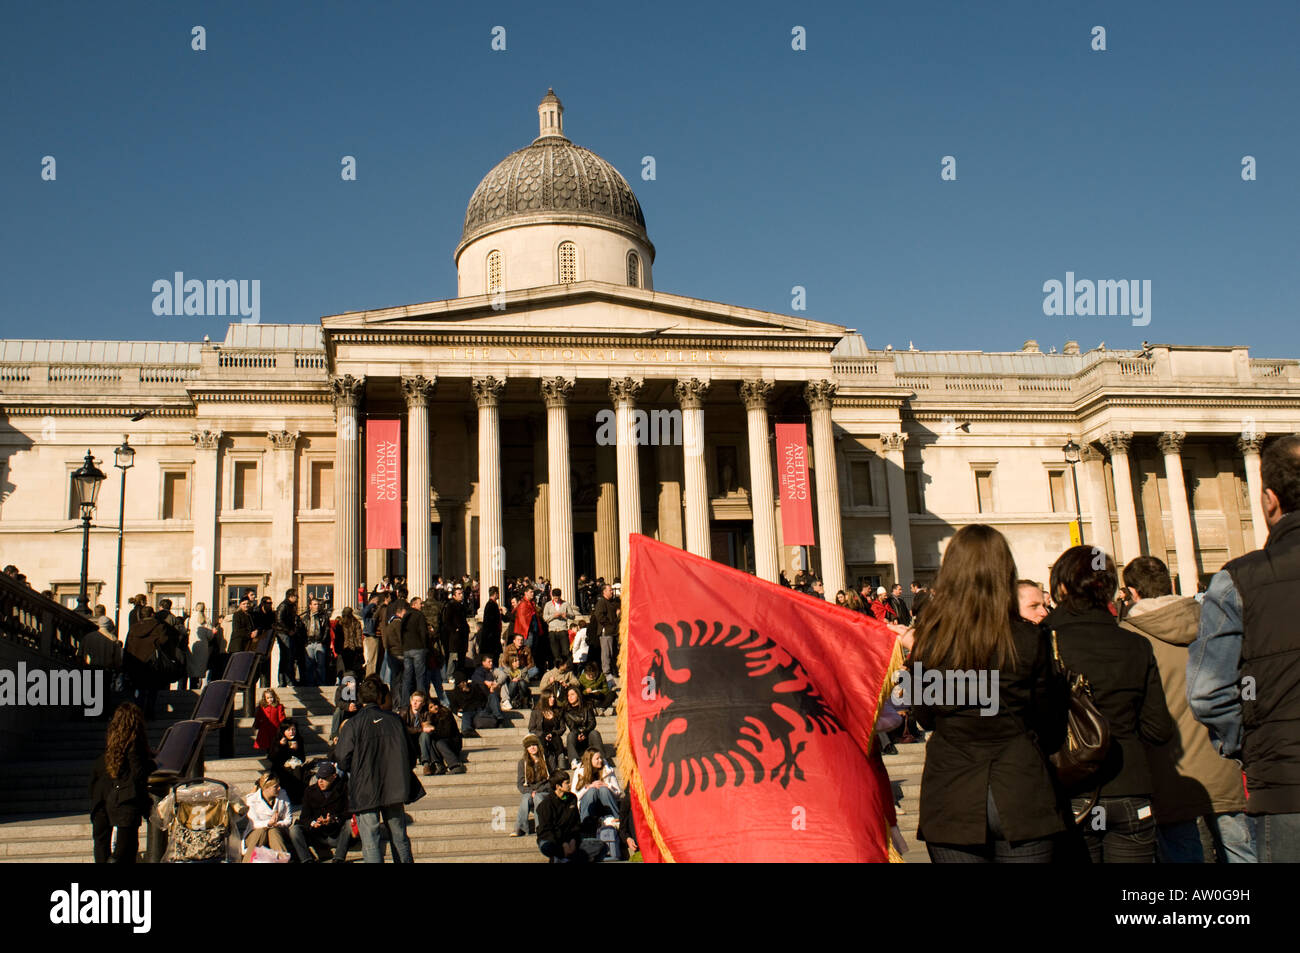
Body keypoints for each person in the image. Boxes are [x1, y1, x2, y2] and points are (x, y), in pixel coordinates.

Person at [911, 524, 1071, 863]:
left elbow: (923, 715)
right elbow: (1049, 720)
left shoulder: (928, 640)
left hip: (952, 791)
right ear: (1005, 573)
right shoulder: (1030, 639)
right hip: (1019, 787)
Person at [1189, 433, 1300, 861]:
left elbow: (1209, 693)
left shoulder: (1237, 581)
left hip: (1285, 786)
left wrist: (1248, 741)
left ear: (1269, 500)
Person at [1120, 555, 1253, 863]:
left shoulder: (1129, 635)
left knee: (1183, 854)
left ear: (1133, 592)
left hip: (1169, 766)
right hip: (1221, 756)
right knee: (1241, 851)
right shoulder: (1213, 620)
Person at [1046, 545, 1174, 863]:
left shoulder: (1045, 641)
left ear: (1061, 587)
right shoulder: (1136, 645)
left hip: (1068, 788)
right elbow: (1159, 729)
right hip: (1130, 785)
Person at [335, 677, 418, 863]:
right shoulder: (395, 720)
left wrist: (356, 769)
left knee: (370, 841)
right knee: (399, 836)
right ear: (380, 696)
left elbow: (341, 758)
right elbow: (411, 754)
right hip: (394, 784)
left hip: (365, 787)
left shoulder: (353, 724)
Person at [89, 702, 154, 863]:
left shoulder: (109, 751)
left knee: (102, 847)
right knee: (126, 848)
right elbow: (138, 774)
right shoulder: (134, 748)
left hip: (101, 801)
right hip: (125, 802)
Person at [536, 770, 605, 862]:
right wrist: (563, 844)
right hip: (552, 839)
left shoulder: (572, 798)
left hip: (571, 839)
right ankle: (561, 857)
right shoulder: (546, 805)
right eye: (567, 783)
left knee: (601, 847)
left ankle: (568, 858)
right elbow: (546, 831)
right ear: (558, 786)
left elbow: (575, 824)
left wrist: (573, 840)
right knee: (547, 846)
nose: (570, 784)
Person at [289, 761, 352, 863]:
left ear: (333, 776)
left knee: (349, 824)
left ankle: (339, 858)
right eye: (319, 778)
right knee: (294, 830)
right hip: (316, 834)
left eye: (324, 778)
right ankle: (307, 860)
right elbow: (304, 817)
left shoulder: (344, 789)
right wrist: (314, 823)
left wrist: (334, 819)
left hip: (336, 833)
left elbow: (349, 811)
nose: (320, 781)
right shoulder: (310, 791)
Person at [243, 772, 293, 861]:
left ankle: (283, 860)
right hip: (256, 834)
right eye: (275, 787)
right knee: (262, 830)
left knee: (273, 830)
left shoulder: (283, 794)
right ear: (266, 788)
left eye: (279, 785)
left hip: (278, 832)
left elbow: (288, 819)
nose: (279, 788)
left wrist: (277, 824)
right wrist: (269, 823)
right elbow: (255, 823)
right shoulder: (252, 799)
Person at [572, 747, 622, 824]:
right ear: (589, 760)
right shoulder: (579, 772)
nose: (600, 760)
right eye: (597, 759)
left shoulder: (608, 770)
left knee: (603, 789)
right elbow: (574, 795)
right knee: (592, 790)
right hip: (589, 804)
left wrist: (607, 785)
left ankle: (616, 820)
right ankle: (586, 823)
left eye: (601, 757)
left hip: (605, 803)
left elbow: (618, 793)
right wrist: (588, 787)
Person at [515, 735, 552, 836]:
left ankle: (540, 827)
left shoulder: (548, 760)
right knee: (526, 798)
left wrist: (538, 791)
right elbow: (520, 783)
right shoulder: (522, 763)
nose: (532, 747)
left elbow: (552, 780)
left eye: (534, 744)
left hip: (545, 791)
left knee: (538, 797)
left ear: (538, 746)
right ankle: (520, 827)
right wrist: (531, 792)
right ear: (526, 749)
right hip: (530, 792)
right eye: (529, 745)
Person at [562, 685, 604, 765]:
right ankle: (574, 761)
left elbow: (592, 722)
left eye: (572, 694)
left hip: (588, 735)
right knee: (570, 735)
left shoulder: (587, 706)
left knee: (595, 733)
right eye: (568, 695)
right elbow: (571, 726)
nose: (570, 697)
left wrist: (585, 732)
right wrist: (579, 734)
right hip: (576, 738)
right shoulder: (566, 710)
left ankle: (601, 759)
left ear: (578, 695)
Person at [269, 718, 309, 804]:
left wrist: (296, 750)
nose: (291, 732)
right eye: (288, 730)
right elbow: (272, 757)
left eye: (293, 729)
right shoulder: (277, 740)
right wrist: (280, 746)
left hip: (295, 766)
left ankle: (296, 798)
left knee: (298, 771)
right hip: (280, 766)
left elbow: (302, 758)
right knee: (285, 773)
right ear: (283, 731)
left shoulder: (298, 740)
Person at [529, 688, 567, 770]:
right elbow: (531, 729)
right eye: (550, 697)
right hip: (541, 736)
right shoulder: (536, 712)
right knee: (542, 740)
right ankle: (546, 762)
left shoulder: (558, 711)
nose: (553, 699)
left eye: (553, 697)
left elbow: (562, 728)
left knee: (556, 738)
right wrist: (543, 734)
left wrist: (552, 733)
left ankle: (561, 760)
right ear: (545, 699)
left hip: (553, 736)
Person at [302, 596, 333, 686]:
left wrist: (323, 641)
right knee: (309, 665)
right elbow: (302, 630)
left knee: (321, 665)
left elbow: (326, 629)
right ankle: (310, 684)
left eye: (318, 604)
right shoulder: (305, 618)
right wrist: (305, 641)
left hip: (319, 642)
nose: (317, 606)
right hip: (309, 642)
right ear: (310, 606)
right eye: (315, 604)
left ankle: (321, 683)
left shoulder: (324, 616)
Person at [275, 589, 303, 687]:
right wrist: (288, 630)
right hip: (283, 633)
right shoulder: (283, 605)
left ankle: (287, 680)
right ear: (290, 596)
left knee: (289, 657)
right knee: (286, 657)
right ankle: (284, 681)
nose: (297, 599)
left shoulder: (290, 606)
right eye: (295, 596)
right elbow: (279, 620)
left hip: (287, 633)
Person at [543, 588, 576, 669]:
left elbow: (573, 616)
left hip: (563, 630)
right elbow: (545, 617)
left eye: (558, 598)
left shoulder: (566, 604)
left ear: (560, 596)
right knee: (555, 652)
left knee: (566, 652)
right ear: (552, 596)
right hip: (552, 631)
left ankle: (568, 668)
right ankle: (556, 669)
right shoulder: (548, 604)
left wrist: (567, 615)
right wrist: (553, 616)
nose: (556, 599)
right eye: (555, 598)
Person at [188, 603, 212, 690]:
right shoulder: (207, 620)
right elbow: (210, 635)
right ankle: (198, 686)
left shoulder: (190, 619)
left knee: (192, 667)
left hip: (192, 645)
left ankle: (192, 685)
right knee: (200, 668)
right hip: (203, 646)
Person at [337, 605, 364, 678]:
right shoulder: (356, 622)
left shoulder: (340, 623)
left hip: (344, 647)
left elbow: (338, 638)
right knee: (351, 667)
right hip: (353, 647)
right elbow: (359, 637)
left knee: (344, 667)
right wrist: (360, 647)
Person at [479, 586, 503, 661]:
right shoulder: (491, 605)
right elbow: (490, 623)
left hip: (493, 637)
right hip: (491, 639)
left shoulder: (493, 604)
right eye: (498, 593)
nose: (499, 595)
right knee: (493, 659)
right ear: (495, 594)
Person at [361, 593, 382, 677]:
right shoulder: (369, 610)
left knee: (375, 659)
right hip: (371, 636)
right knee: (372, 659)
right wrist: (372, 604)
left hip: (376, 636)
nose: (377, 603)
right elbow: (363, 613)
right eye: (377, 601)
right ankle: (369, 677)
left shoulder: (375, 610)